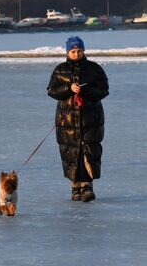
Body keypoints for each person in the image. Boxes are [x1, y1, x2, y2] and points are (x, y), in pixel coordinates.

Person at [47, 36, 109, 202]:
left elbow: (104, 90)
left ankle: (87, 186)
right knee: (71, 152)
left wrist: (86, 91)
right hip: (67, 121)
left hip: (91, 119)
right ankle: (75, 188)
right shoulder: (60, 70)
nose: (77, 54)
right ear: (68, 52)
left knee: (89, 151)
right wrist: (68, 88)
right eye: (73, 51)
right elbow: (52, 90)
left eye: (79, 51)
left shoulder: (94, 69)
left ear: (84, 51)